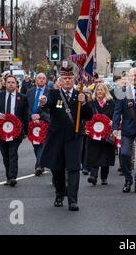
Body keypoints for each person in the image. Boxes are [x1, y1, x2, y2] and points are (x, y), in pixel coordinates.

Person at [38, 66, 93, 211]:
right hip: (56, 136)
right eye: (65, 78)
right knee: (57, 168)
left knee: (74, 168)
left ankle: (73, 200)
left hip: (74, 137)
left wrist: (84, 103)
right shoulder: (54, 94)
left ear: (74, 80)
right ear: (60, 81)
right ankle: (59, 193)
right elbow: (47, 106)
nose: (67, 81)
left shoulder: (80, 95)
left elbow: (89, 116)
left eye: (70, 78)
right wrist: (43, 102)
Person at [0, 75, 29, 187]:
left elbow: (26, 115)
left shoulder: (22, 97)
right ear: (5, 84)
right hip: (2, 130)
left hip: (17, 131)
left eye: (13, 82)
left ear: (16, 84)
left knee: (13, 152)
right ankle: (8, 176)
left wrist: (26, 131)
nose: (11, 84)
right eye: (9, 82)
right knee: (5, 154)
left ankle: (12, 177)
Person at [87, 83, 115, 186]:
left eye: (102, 90)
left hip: (107, 133)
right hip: (94, 133)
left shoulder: (111, 103)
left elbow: (115, 114)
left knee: (105, 154)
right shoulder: (92, 103)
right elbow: (87, 116)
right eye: (98, 90)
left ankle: (104, 177)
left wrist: (113, 122)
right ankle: (93, 176)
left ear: (105, 91)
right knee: (94, 153)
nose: (99, 91)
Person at [26, 73, 50, 176]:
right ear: (36, 80)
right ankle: (41, 163)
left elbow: (51, 108)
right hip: (32, 122)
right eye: (39, 78)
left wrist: (41, 116)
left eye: (43, 78)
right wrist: (31, 115)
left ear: (46, 81)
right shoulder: (30, 91)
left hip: (44, 121)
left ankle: (39, 166)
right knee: (35, 145)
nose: (41, 80)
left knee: (42, 144)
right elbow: (26, 106)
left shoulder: (50, 92)